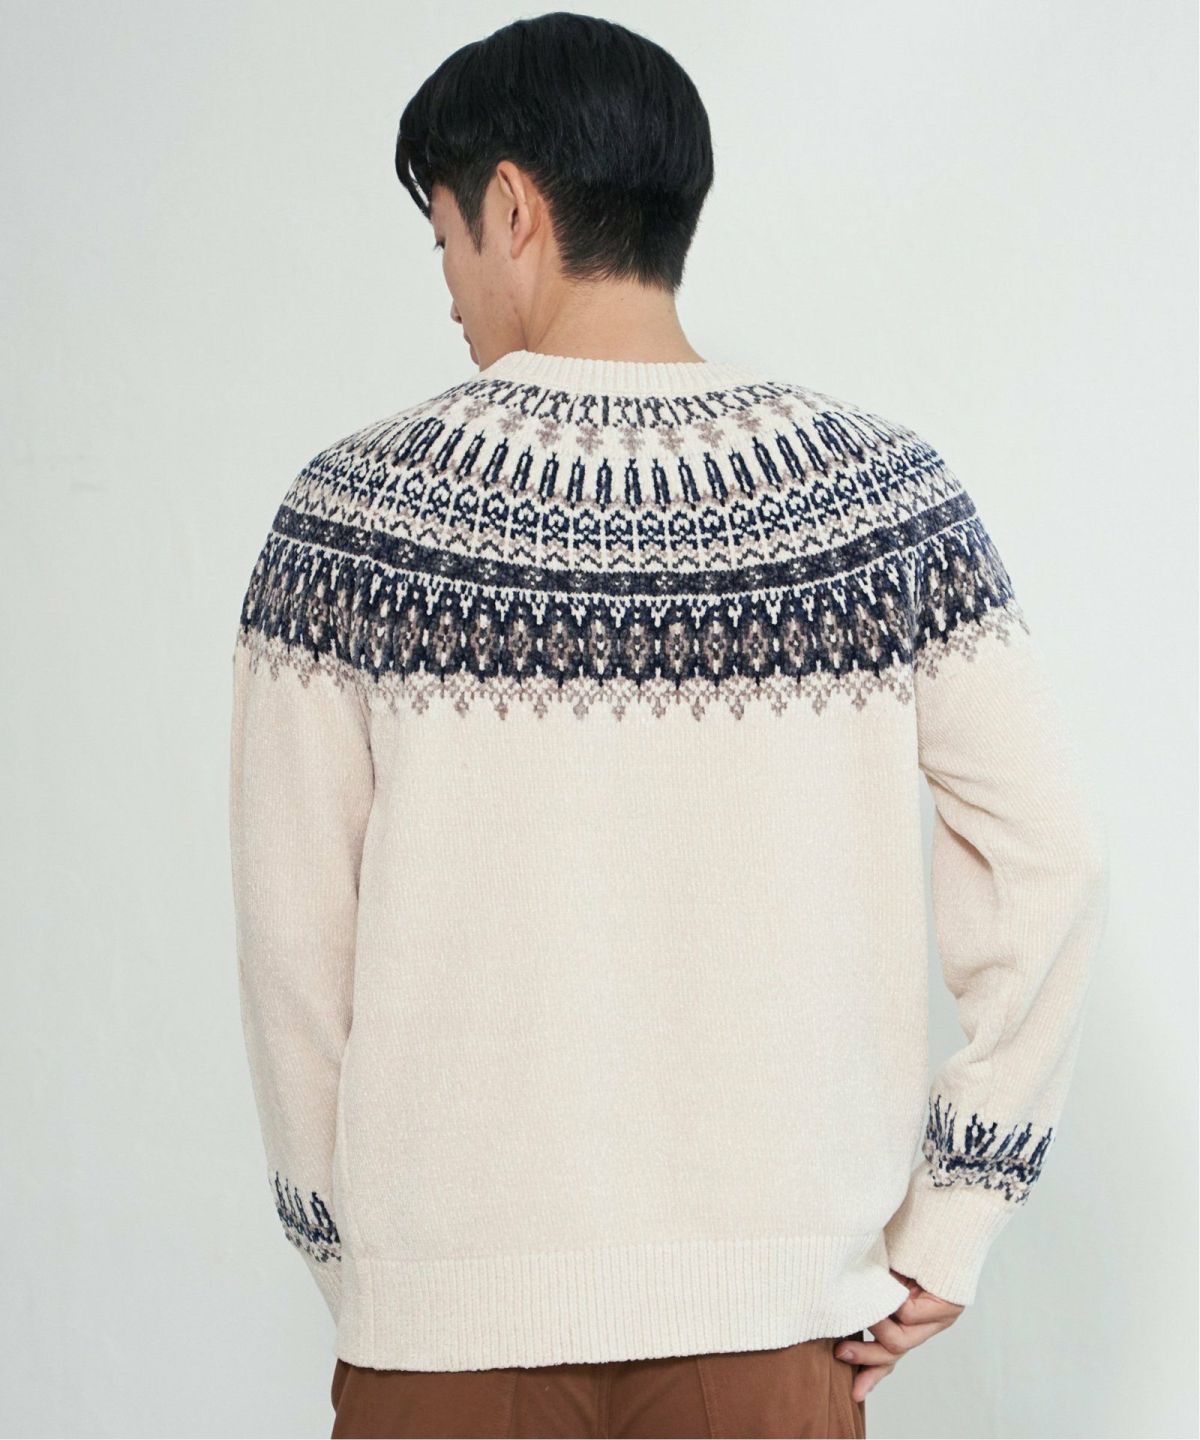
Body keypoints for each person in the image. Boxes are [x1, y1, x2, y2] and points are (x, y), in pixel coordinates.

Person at [227, 12, 1110, 1439]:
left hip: (443, 1338)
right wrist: (954, 1219)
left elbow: (293, 945)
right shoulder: (882, 502)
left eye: (442, 237)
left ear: (511, 205)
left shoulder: (350, 518)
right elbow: (1047, 861)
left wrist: (376, 1271)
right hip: (773, 1336)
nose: (448, 287)